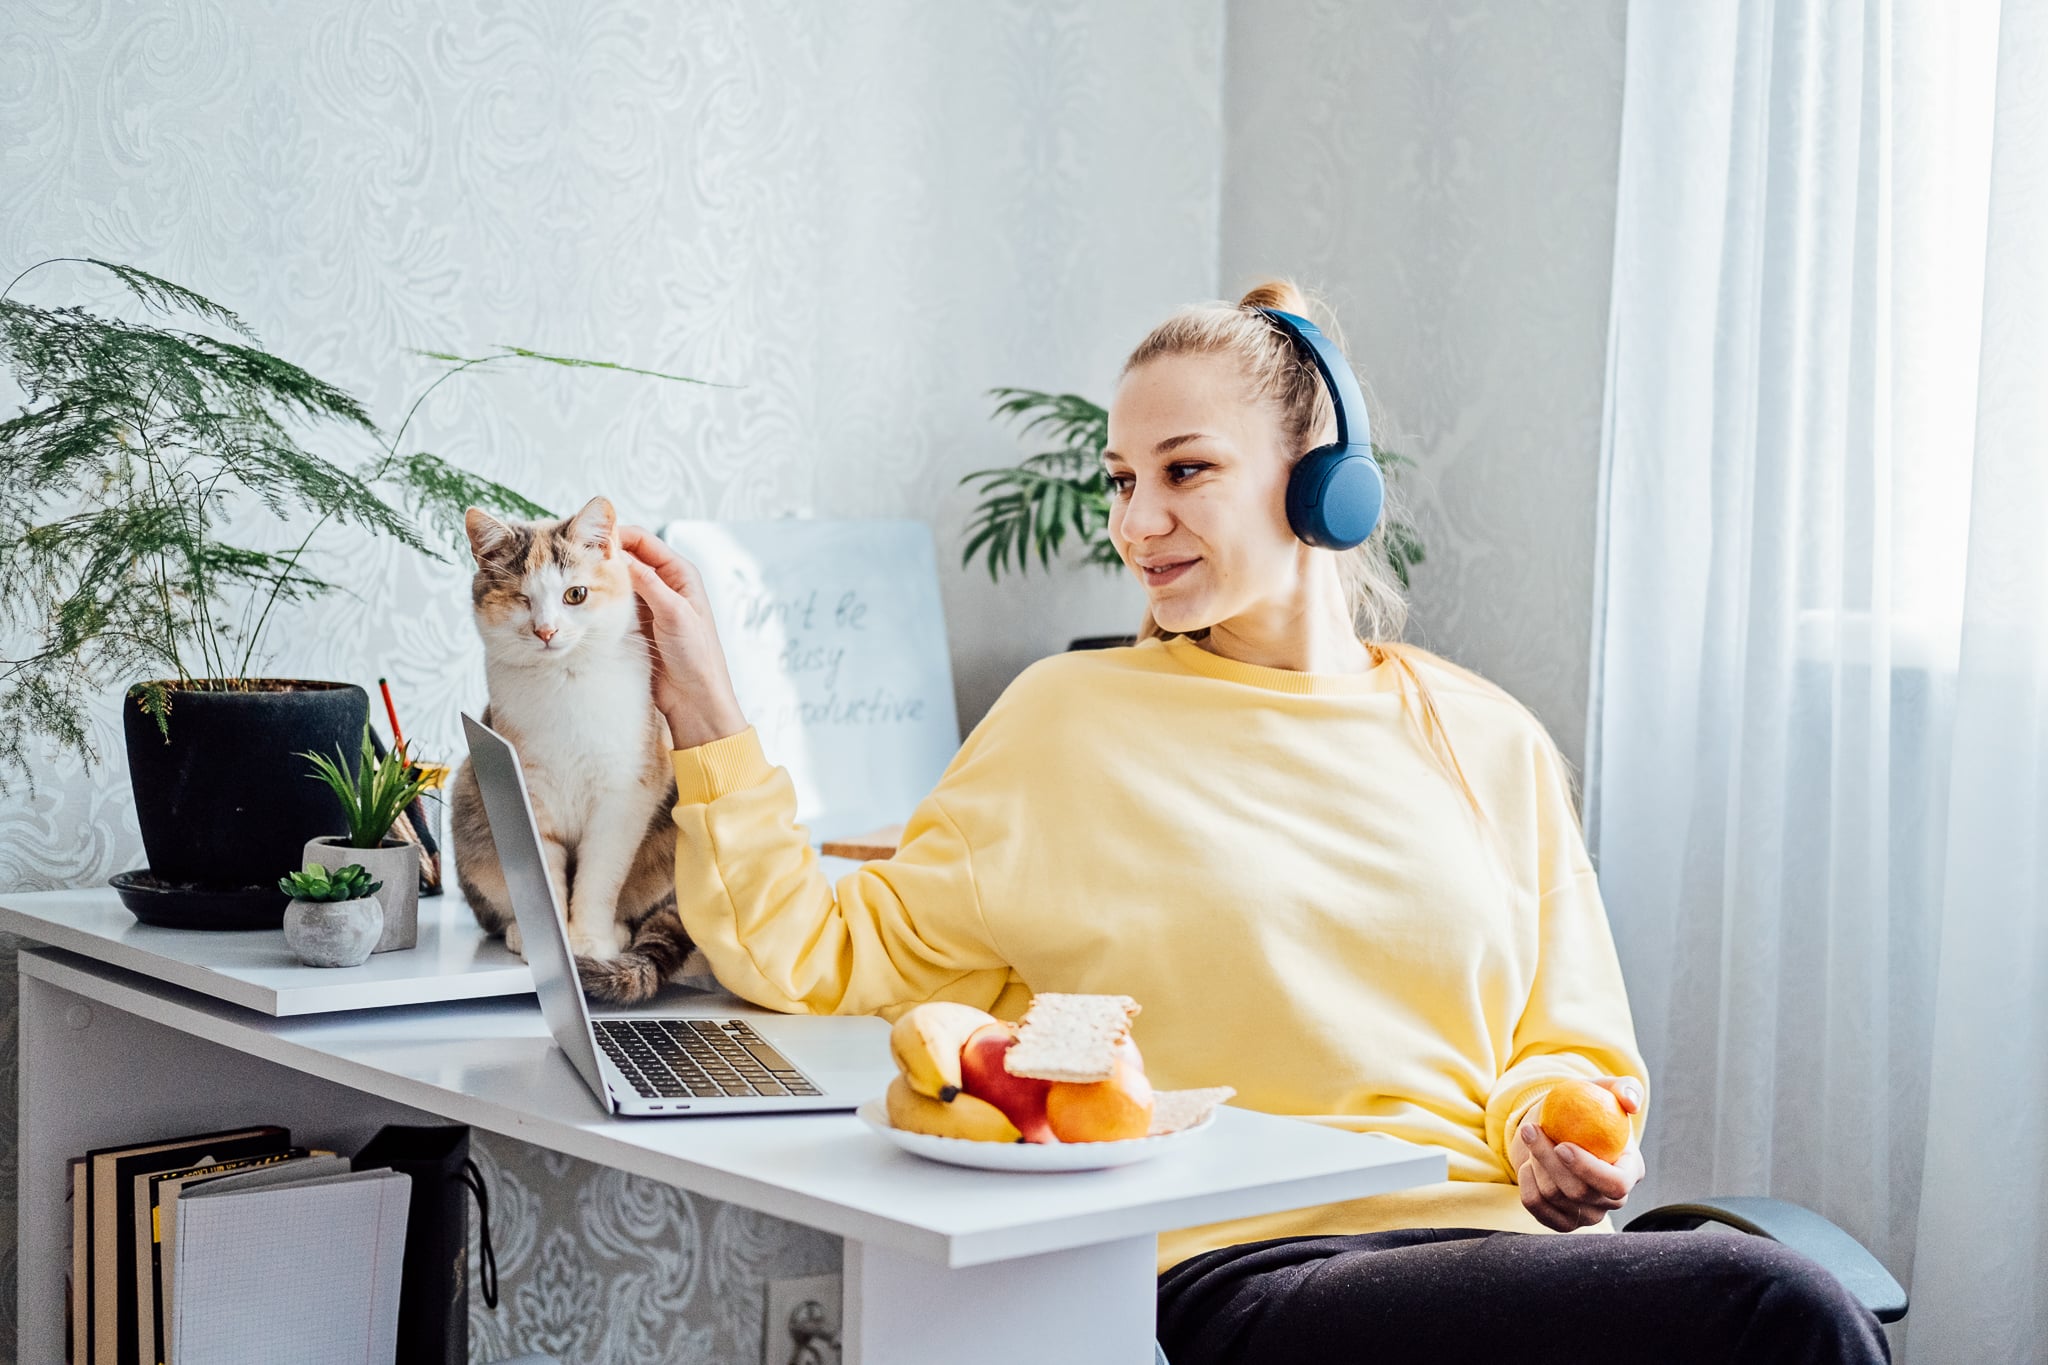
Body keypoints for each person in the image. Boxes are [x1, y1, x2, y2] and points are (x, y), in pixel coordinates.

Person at [616, 281, 1890, 1364]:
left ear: (1323, 487)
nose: (1134, 520)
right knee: (1773, 1305)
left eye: (1185, 473)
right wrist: (706, 706)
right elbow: (820, 954)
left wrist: (1553, 1127)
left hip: (1506, 1254)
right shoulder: (1068, 721)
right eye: (1122, 479)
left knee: (1756, 1299)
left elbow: (1568, 1045)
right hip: (1248, 1274)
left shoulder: (1484, 735)